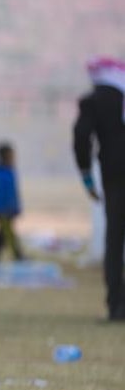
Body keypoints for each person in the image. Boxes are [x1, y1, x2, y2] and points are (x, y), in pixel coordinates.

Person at [73, 56, 125, 321]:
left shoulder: (95, 100)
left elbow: (82, 137)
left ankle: (117, 306)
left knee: (115, 238)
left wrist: (86, 177)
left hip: (115, 175)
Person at [0, 142, 25, 264]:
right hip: (2, 210)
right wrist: (1, 208)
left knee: (3, 234)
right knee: (8, 234)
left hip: (10, 208)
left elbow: (14, 192)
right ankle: (18, 256)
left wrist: (16, 207)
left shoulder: (10, 171)